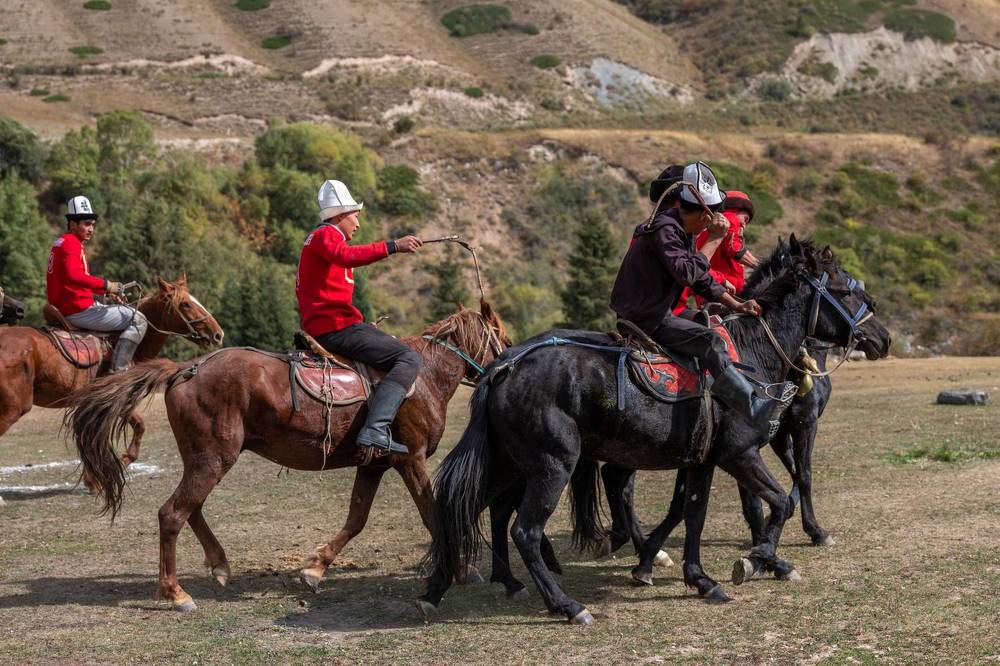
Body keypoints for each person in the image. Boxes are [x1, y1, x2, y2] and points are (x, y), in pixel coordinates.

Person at [609, 162, 793, 431]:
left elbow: (703, 280)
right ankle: (751, 407)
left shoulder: (678, 231)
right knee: (711, 341)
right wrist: (715, 239)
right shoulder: (665, 229)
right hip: (647, 315)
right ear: (702, 215)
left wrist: (738, 304)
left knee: (716, 325)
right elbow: (687, 274)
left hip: (661, 310)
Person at [296, 179, 423, 455]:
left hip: (334, 325)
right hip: (336, 328)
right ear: (340, 216)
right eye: (355, 216)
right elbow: (345, 256)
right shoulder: (326, 235)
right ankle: (376, 428)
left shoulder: (323, 237)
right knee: (409, 358)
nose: (358, 223)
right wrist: (393, 246)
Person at [47, 196, 146, 373]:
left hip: (68, 305)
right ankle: (119, 373)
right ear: (72, 224)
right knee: (138, 319)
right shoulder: (71, 244)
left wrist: (104, 290)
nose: (91, 229)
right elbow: (73, 276)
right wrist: (107, 285)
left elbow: (76, 279)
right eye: (86, 224)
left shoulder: (62, 242)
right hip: (77, 309)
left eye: (92, 224)